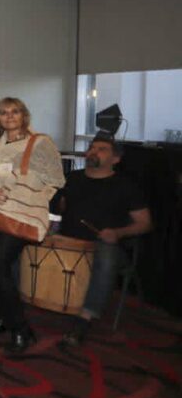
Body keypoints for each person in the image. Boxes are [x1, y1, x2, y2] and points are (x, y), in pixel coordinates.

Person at [0, 98, 65, 355]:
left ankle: (21, 330)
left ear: (24, 115)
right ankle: (5, 316)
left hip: (23, 213)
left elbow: (57, 180)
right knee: (8, 270)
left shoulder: (40, 143)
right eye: (3, 113)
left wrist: (29, 191)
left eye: (15, 112)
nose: (9, 117)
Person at [56, 135, 151, 348]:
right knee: (24, 237)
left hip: (106, 245)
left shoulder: (126, 186)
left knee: (107, 254)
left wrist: (118, 233)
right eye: (91, 147)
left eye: (102, 149)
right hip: (69, 241)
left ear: (115, 159)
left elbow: (145, 223)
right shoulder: (73, 178)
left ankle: (85, 317)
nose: (93, 151)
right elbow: (59, 207)